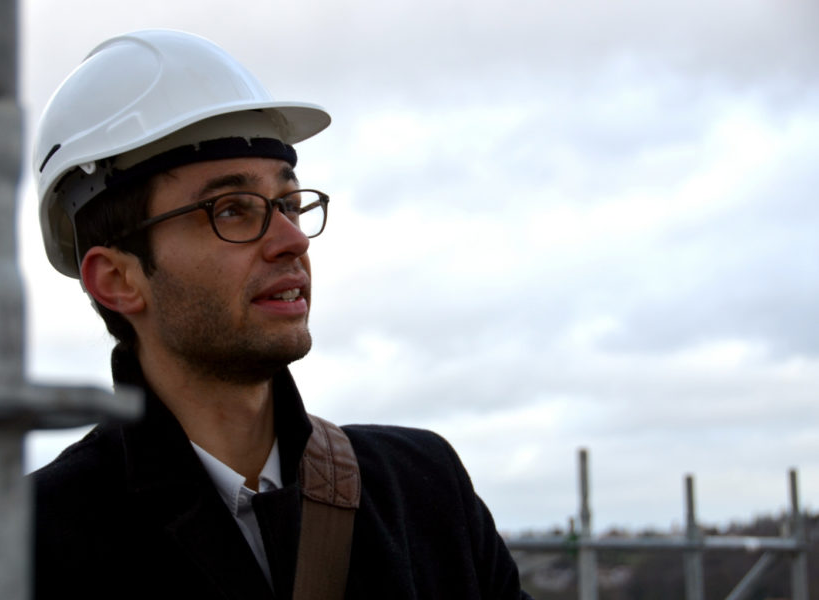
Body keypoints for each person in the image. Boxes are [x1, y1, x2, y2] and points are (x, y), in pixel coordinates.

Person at [31, 29, 532, 599]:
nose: (292, 240)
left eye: (289, 204)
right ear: (118, 280)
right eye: (232, 210)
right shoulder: (29, 547)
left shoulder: (425, 491)